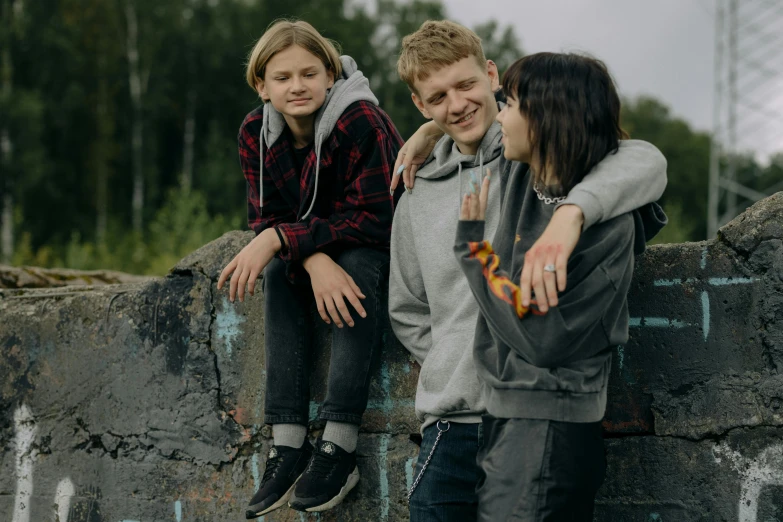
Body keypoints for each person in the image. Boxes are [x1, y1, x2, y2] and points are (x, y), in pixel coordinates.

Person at [388, 20, 667, 522]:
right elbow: (408, 309)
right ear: (419, 104)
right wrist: (461, 360)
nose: (456, 104)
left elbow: (643, 160)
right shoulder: (414, 191)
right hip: (451, 421)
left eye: (467, 85)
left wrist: (572, 212)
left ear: (491, 74)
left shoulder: (528, 157)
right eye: (437, 98)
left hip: (535, 412)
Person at [216, 19, 402, 518]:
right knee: (279, 273)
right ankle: (288, 443)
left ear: (329, 75)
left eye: (308, 73)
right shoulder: (255, 132)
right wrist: (309, 256)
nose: (296, 86)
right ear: (262, 85)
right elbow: (267, 215)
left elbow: (379, 218)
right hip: (319, 246)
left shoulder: (361, 120)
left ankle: (339, 446)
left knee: (357, 269)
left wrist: (283, 238)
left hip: (374, 246)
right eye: (282, 77)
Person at [455, 51, 645, 521]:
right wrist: (421, 136)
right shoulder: (525, 173)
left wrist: (473, 253)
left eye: (511, 104)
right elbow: (463, 125)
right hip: (511, 415)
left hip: (547, 426)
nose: (499, 116)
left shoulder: (608, 229)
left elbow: (543, 340)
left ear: (545, 119)